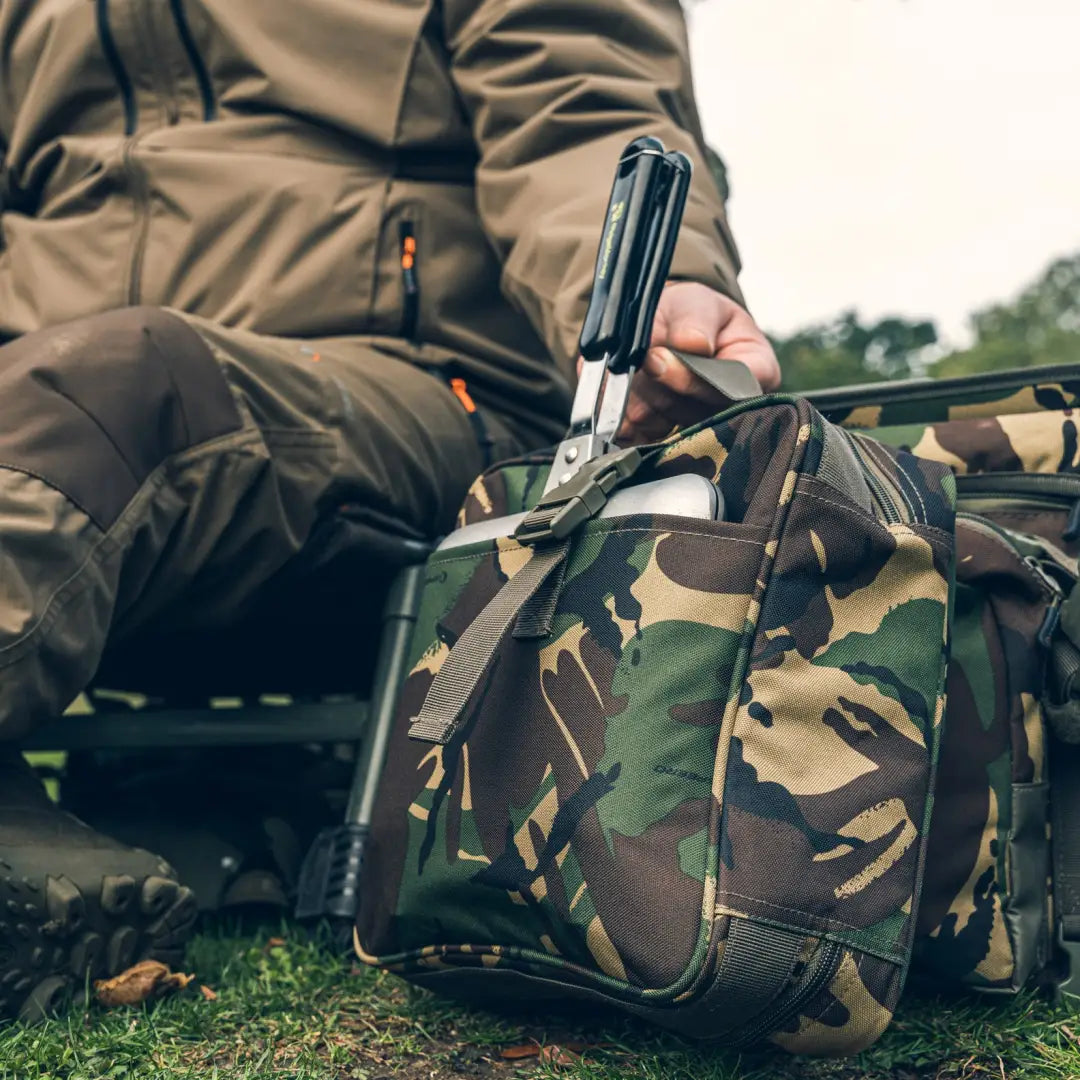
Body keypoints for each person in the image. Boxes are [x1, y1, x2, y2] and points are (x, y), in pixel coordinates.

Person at [0, 0, 778, 1019]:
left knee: (112, 385)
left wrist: (641, 289)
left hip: (420, 398)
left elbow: (577, 102)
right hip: (46, 406)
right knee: (75, 393)